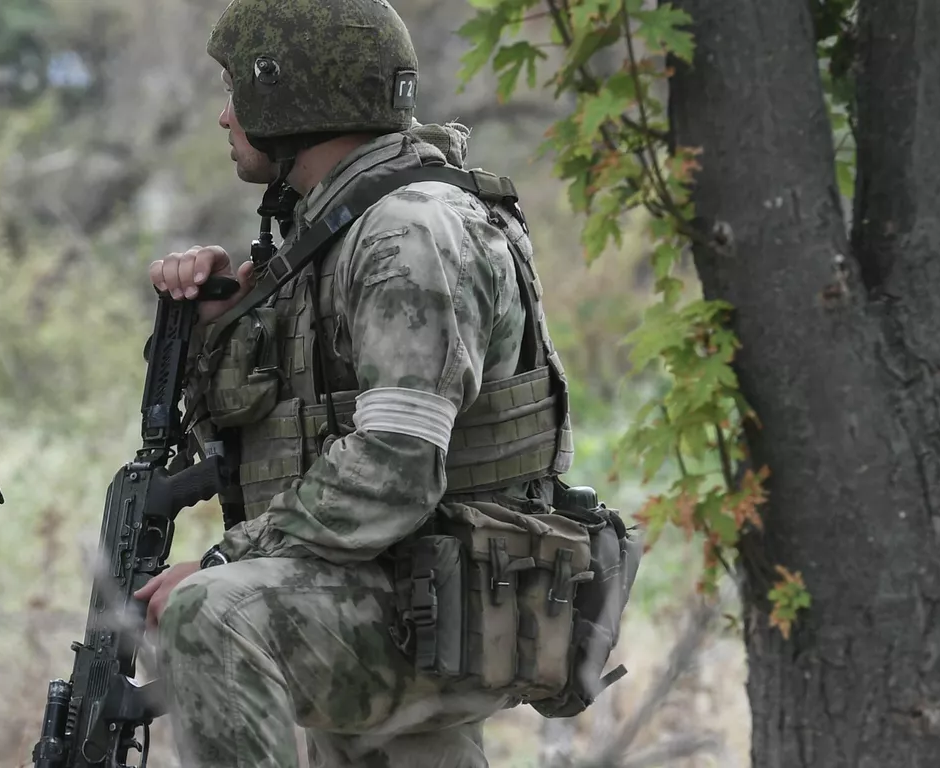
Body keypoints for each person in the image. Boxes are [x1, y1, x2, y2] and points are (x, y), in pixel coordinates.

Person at [131, 0, 620, 765]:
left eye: (236, 91)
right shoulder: (344, 229)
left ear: (284, 94)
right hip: (404, 584)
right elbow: (276, 431)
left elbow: (396, 460)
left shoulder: (405, 230)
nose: (225, 117)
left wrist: (233, 560)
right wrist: (214, 325)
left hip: (422, 597)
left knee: (210, 615)